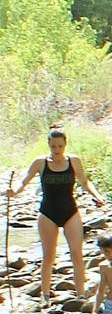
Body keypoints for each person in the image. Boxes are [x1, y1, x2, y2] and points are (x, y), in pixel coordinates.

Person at [10, 127, 104, 304]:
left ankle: (81, 295)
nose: (57, 150)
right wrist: (14, 192)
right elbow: (24, 180)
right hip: (47, 213)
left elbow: (84, 182)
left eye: (60, 146)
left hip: (70, 211)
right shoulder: (40, 162)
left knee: (77, 253)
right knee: (49, 256)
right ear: (49, 145)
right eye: (53, 146)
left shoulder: (74, 161)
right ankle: (45, 296)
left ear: (65, 145)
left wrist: (97, 196)